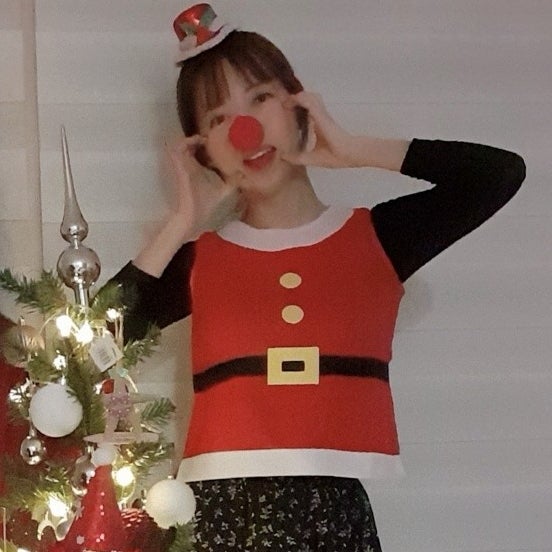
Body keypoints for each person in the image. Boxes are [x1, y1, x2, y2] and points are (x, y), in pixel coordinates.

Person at [112, 4, 526, 550]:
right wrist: (181, 221)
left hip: (333, 513)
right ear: (202, 150)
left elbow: (498, 175)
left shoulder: (377, 239)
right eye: (217, 120)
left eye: (260, 98)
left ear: (297, 103)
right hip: (219, 516)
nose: (244, 129)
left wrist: (351, 150)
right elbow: (97, 337)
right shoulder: (200, 260)